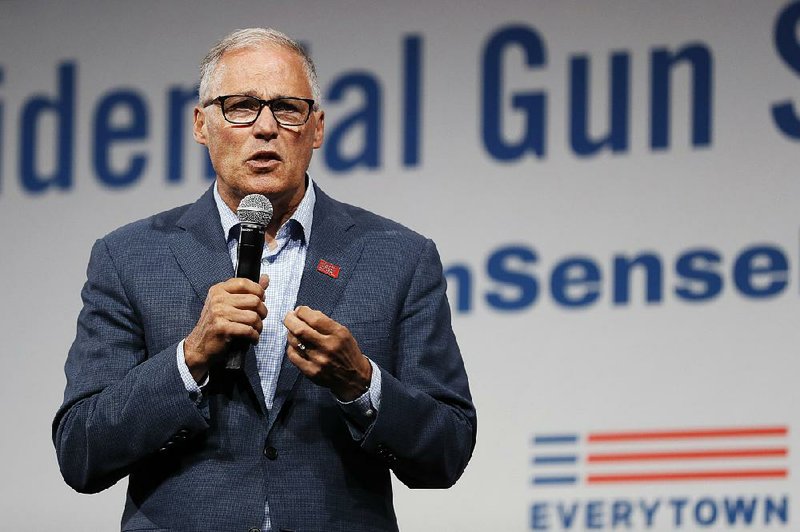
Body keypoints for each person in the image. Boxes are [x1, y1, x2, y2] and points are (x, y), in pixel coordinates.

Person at [53, 28, 476, 532]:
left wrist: (361, 384)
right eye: (240, 106)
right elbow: (81, 451)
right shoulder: (129, 257)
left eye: (288, 109)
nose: (266, 127)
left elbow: (448, 449)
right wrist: (189, 358)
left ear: (316, 127)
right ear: (200, 125)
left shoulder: (398, 257)